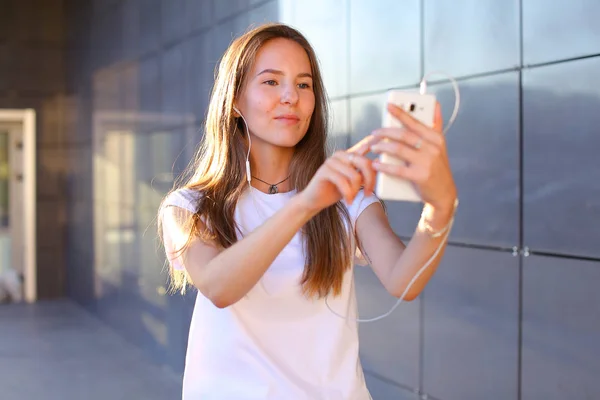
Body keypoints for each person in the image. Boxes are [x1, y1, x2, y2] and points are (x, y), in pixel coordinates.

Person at [158, 22, 458, 400]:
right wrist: (305, 204)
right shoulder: (190, 207)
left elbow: (404, 281)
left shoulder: (347, 198)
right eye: (271, 82)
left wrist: (441, 204)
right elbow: (219, 286)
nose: (290, 97)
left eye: (304, 84)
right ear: (234, 100)